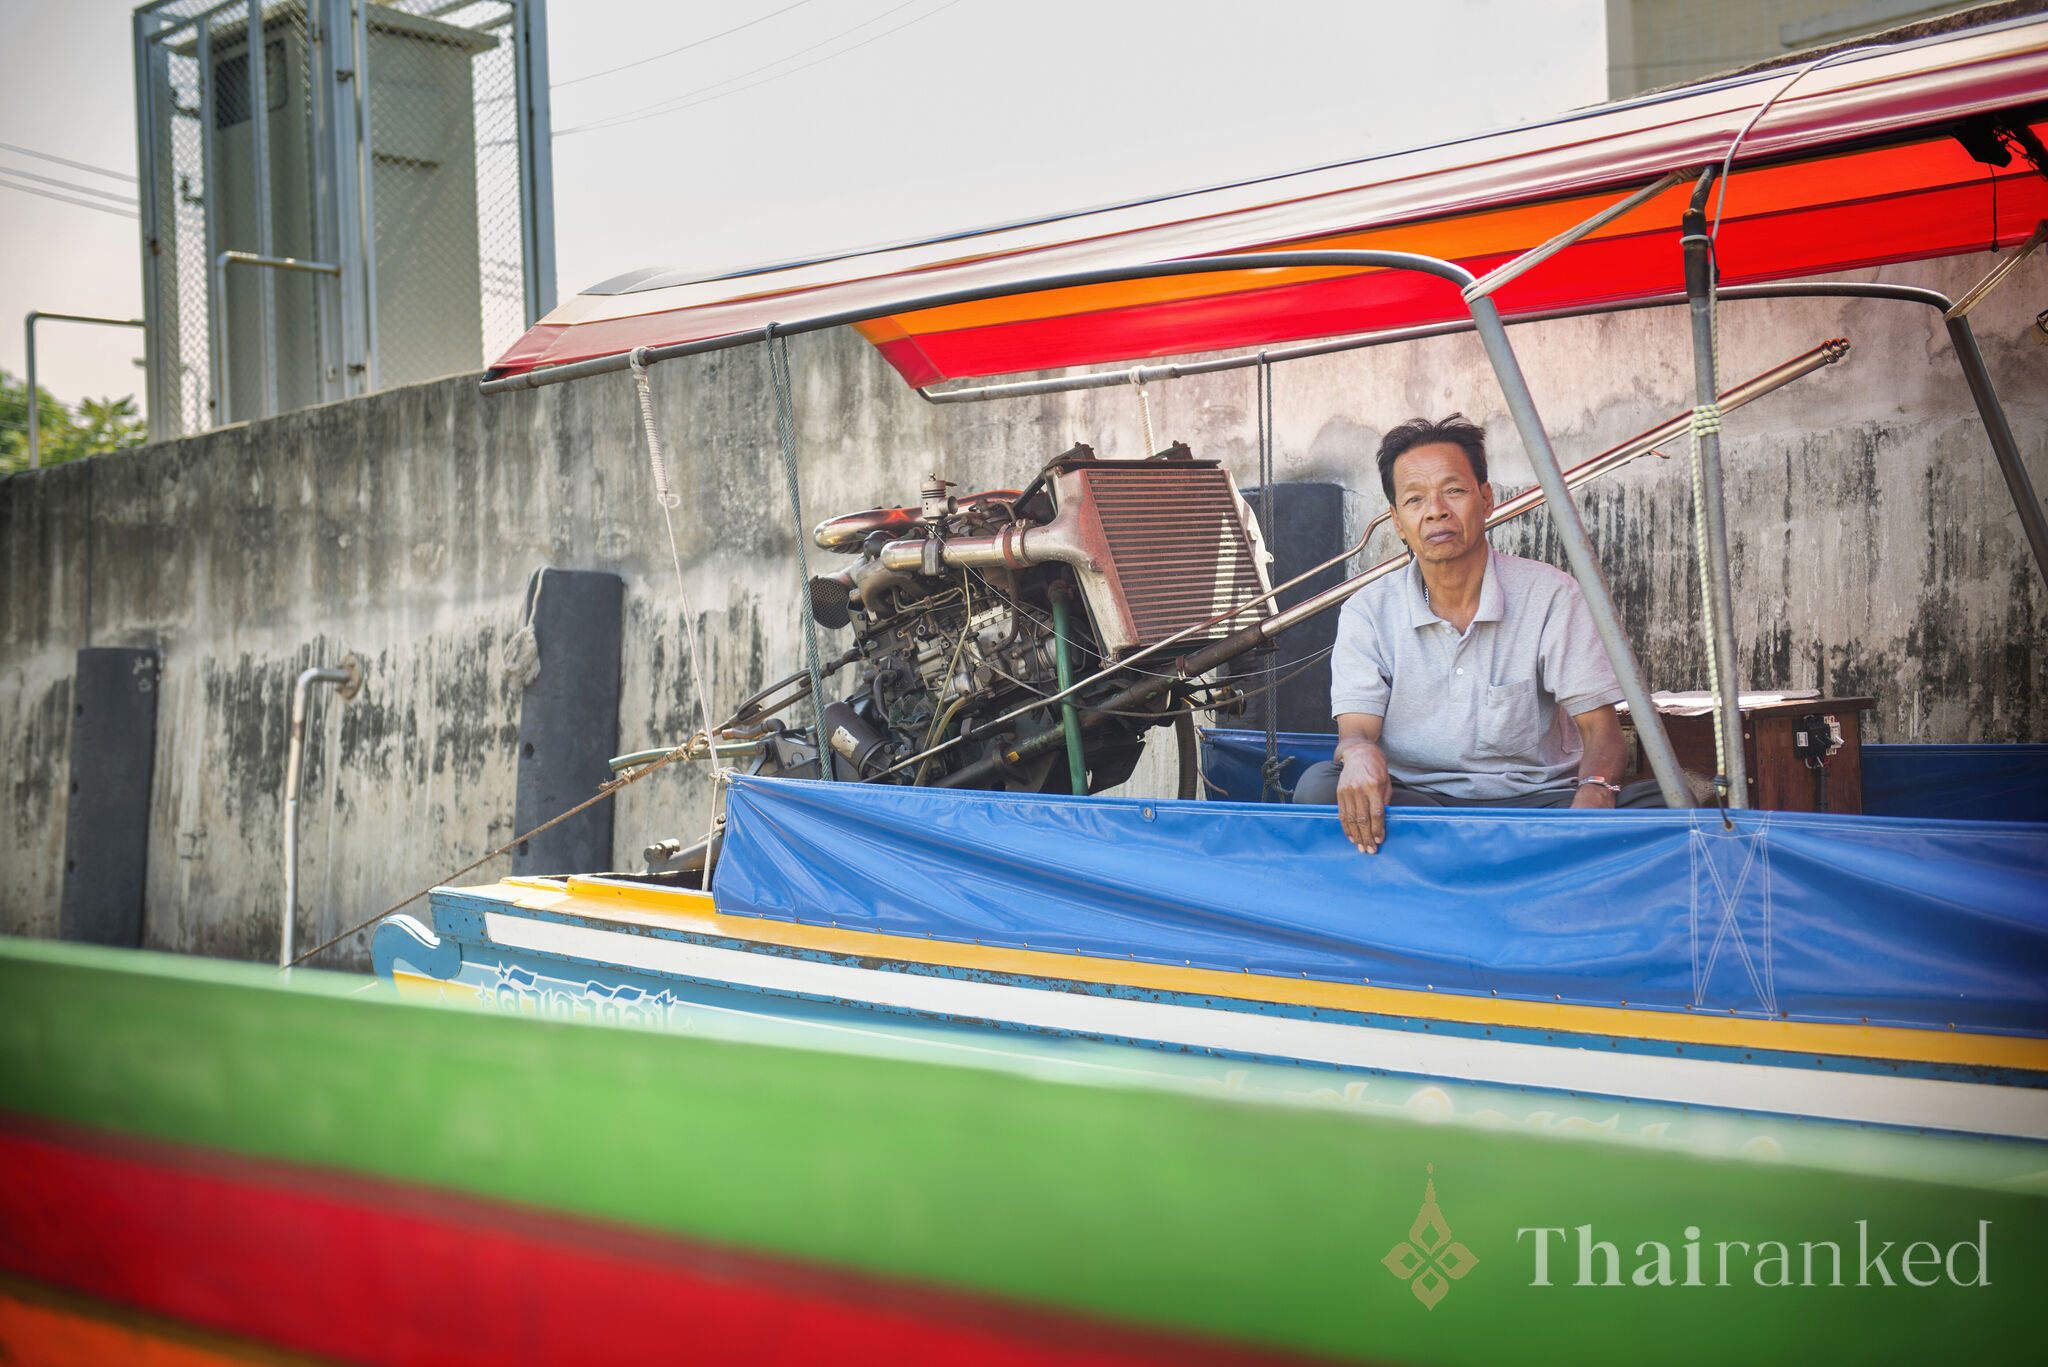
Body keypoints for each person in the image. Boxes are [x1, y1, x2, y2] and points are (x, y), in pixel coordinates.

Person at [1292, 415, 1664, 853]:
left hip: (1538, 803)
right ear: (1397, 521)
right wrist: (1357, 754)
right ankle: (1520, 867)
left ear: (1486, 499)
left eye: (1454, 490)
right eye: (1414, 499)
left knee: (1669, 805)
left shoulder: (1550, 594)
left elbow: (1602, 731)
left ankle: (1446, 868)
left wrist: (1596, 790)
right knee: (1319, 789)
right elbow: (1356, 732)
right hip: (1417, 803)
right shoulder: (1368, 610)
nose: (1436, 510)